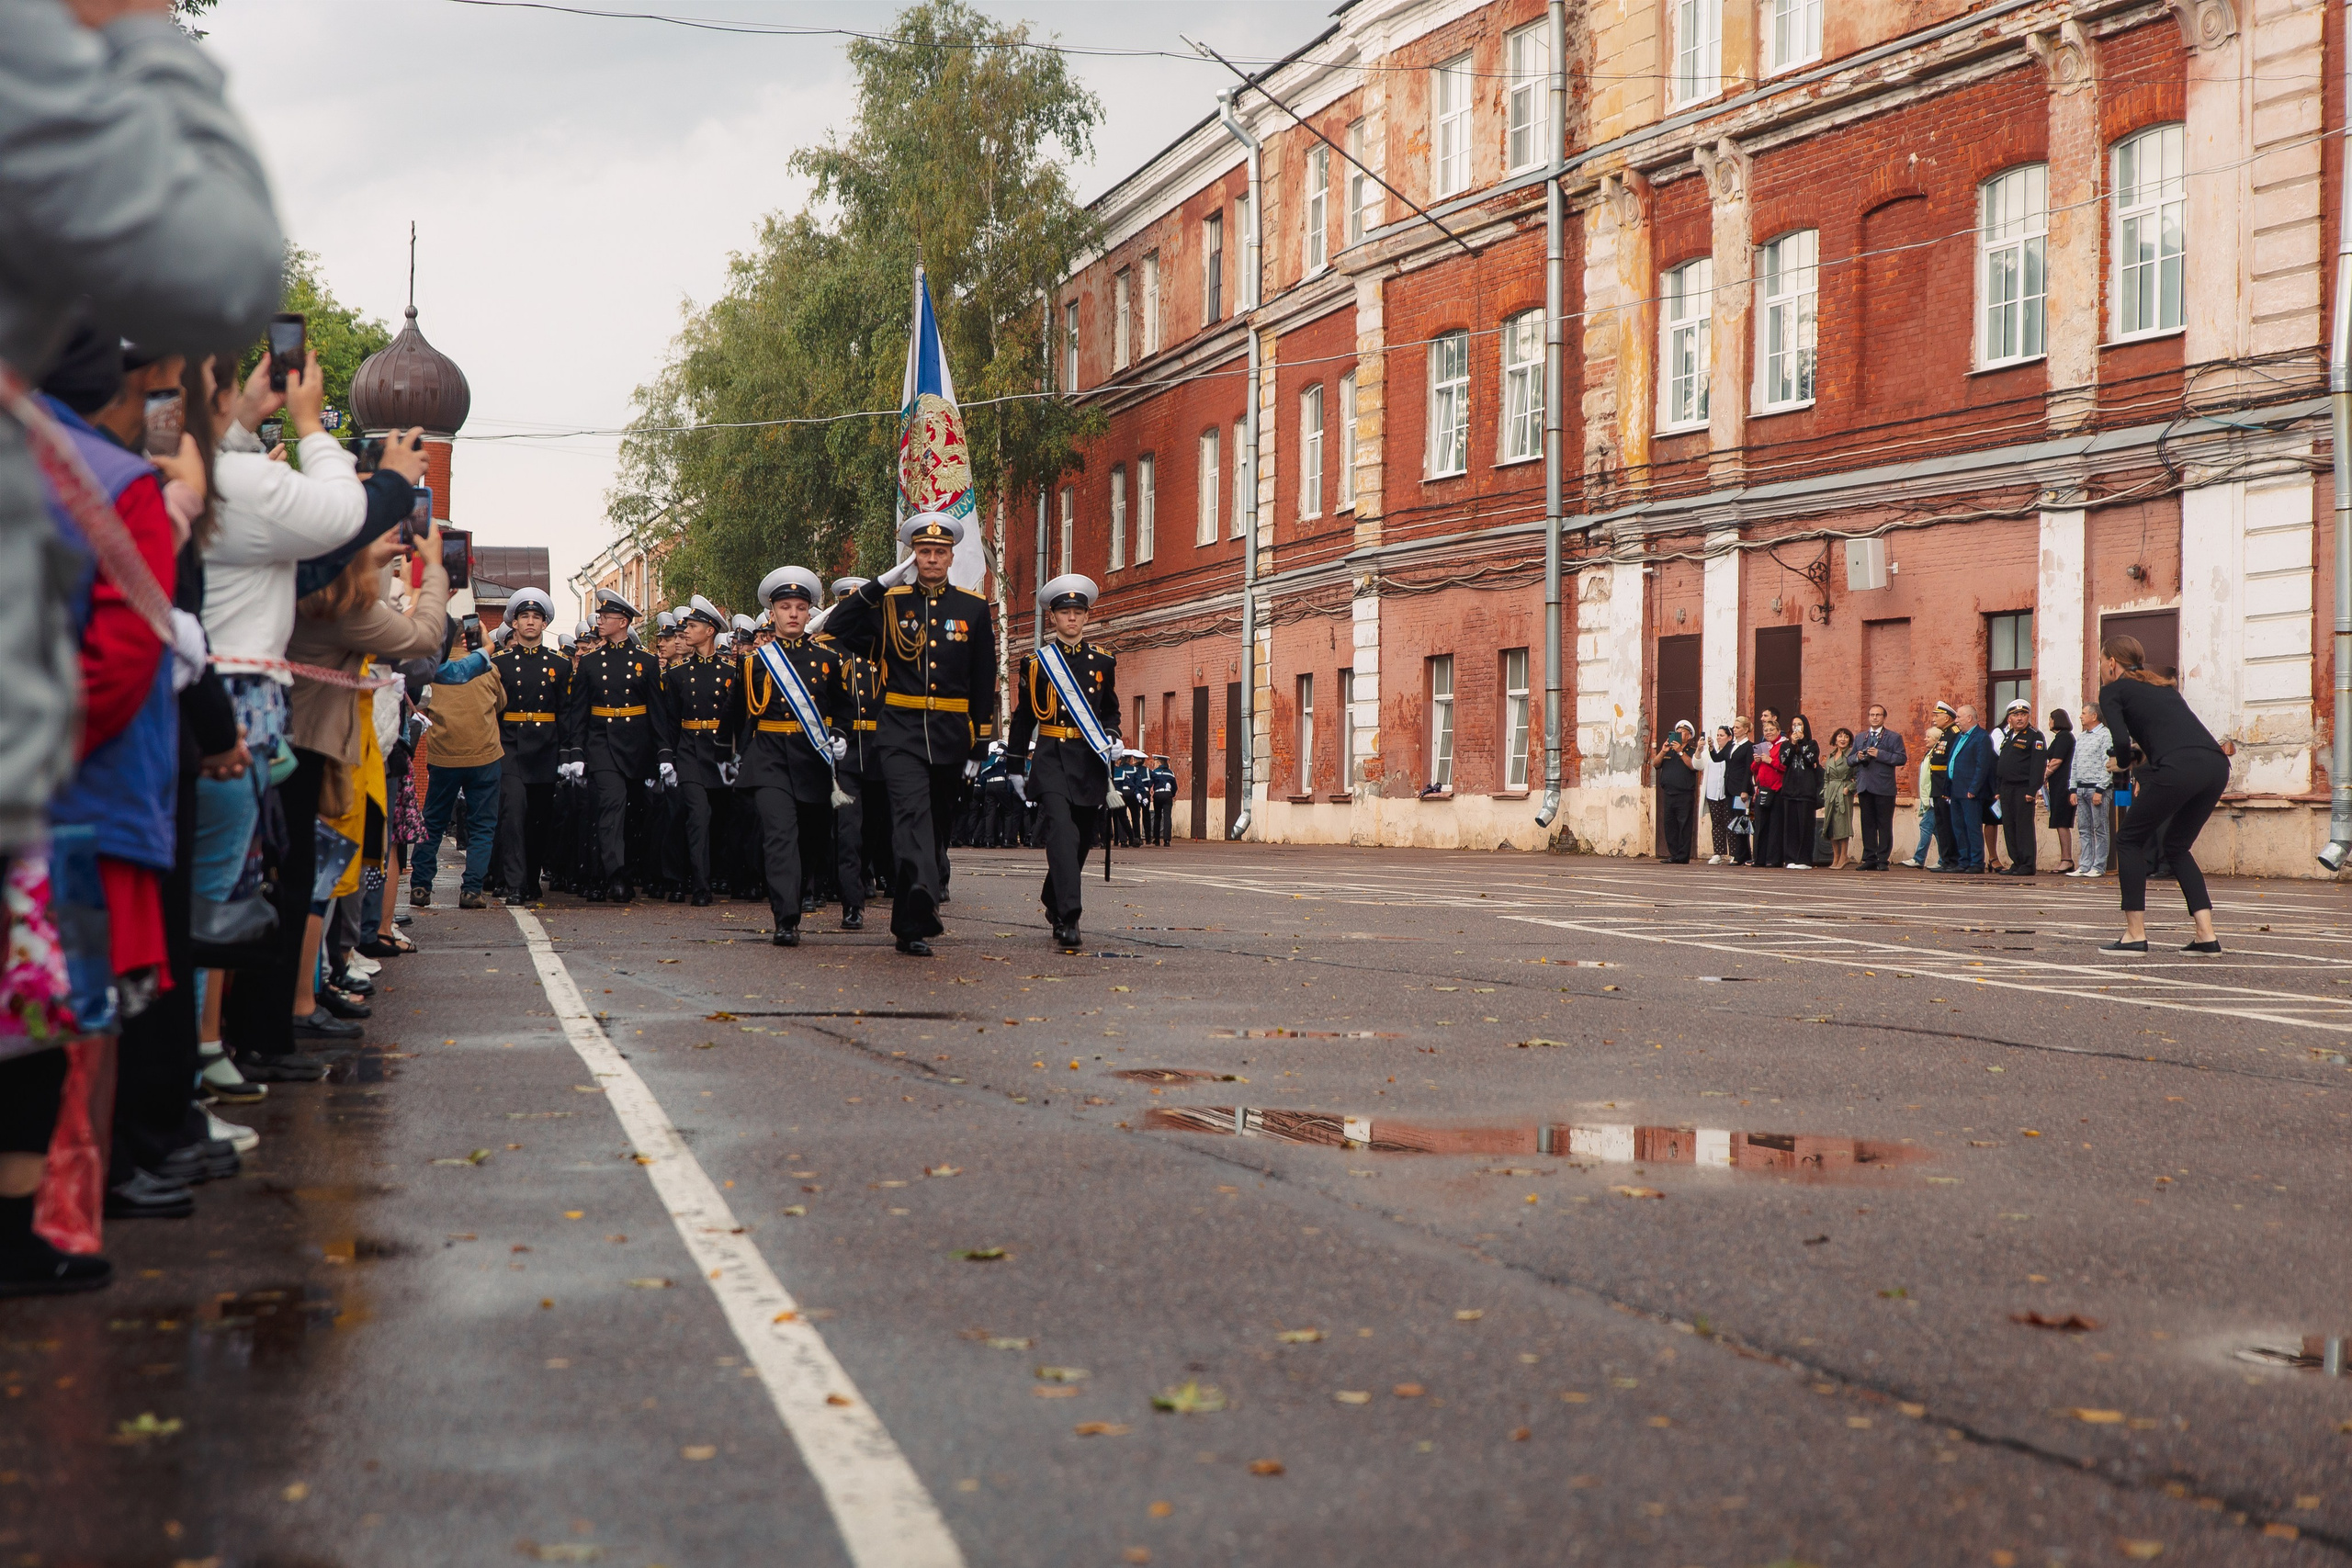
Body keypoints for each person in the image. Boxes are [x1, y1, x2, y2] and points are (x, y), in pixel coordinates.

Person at [0, 0, 284, 895]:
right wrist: (138, 29)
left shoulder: (132, 466)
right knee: (98, 1000)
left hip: (107, 773)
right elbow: (221, 272)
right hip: (84, 791)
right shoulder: (118, 479)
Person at [280, 513, 452, 1054]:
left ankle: (313, 985)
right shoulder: (337, 606)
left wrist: (370, 552)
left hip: (310, 744)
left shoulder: (298, 589)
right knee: (315, 876)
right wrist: (433, 575)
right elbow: (425, 644)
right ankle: (300, 999)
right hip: (322, 749)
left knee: (318, 873)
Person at [823, 513, 999, 957]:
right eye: (924, 552)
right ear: (913, 557)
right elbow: (837, 627)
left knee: (935, 825)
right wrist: (879, 584)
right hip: (899, 732)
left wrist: (980, 740)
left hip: (950, 734)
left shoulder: (973, 608)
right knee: (910, 818)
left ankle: (908, 924)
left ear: (951, 556)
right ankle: (921, 894)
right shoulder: (890, 603)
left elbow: (983, 680)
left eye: (940, 552)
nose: (933, 559)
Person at [733, 567, 849, 946]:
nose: (794, 614)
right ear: (773, 614)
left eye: (801, 607)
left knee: (811, 841)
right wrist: (730, 756)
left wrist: (840, 734)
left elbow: (843, 708)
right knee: (778, 836)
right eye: (786, 607)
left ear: (809, 612)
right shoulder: (754, 662)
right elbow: (738, 715)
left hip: (812, 759)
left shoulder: (828, 660)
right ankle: (785, 918)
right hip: (768, 758)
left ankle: (795, 898)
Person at [1006, 573, 1120, 949]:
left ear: (1087, 617)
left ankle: (1053, 899)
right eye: (1064, 612)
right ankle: (1069, 918)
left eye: (1078, 612)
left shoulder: (1103, 662)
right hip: (1052, 758)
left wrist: (1113, 737)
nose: (1072, 618)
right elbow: (1024, 719)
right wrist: (1014, 765)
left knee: (1083, 838)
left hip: (1088, 762)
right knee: (1062, 834)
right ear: (1052, 617)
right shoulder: (1036, 663)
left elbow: (1110, 712)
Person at [2098, 636, 2228, 953]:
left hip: (2179, 767)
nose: (2101, 668)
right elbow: (2168, 740)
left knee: (2128, 840)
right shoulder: (2163, 687)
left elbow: (2119, 740)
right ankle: (2205, 934)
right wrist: (2137, 757)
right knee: (2177, 845)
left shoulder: (2113, 690)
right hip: (2214, 765)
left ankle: (2134, 934)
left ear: (2112, 663)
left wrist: (2121, 760)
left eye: (2102, 662)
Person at [558, 588, 673, 902]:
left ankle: (622, 869)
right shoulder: (592, 663)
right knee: (612, 804)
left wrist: (664, 753)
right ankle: (616, 875)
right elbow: (578, 712)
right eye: (600, 616)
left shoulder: (647, 663)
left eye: (605, 617)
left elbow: (657, 712)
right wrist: (576, 752)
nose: (600, 621)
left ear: (622, 622)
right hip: (602, 743)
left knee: (634, 813)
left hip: (637, 746)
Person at [413, 618, 504, 908]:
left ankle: (420, 886)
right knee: (482, 825)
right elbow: (501, 703)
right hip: (485, 755)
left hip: (443, 756)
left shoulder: (432, 671)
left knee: (433, 821)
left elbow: (421, 703)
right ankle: (472, 889)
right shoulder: (488, 668)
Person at [491, 587, 568, 904]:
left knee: (539, 819)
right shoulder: (501, 663)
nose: (531, 622)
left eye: (536, 617)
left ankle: (532, 877)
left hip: (545, 749)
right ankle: (515, 883)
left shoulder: (560, 665)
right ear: (515, 624)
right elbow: (492, 710)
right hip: (510, 747)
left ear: (545, 624)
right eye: (525, 617)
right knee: (513, 814)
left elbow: (566, 713)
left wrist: (566, 754)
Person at [659, 593, 736, 908]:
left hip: (719, 753)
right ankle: (700, 886)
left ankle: (719, 874)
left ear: (710, 631)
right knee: (697, 815)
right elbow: (670, 723)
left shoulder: (732, 673)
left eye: (693, 626)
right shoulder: (677, 675)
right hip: (689, 750)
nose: (686, 632)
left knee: (721, 820)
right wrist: (667, 758)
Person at [817, 576, 876, 927]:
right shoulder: (827, 650)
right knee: (848, 830)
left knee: (881, 829)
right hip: (846, 750)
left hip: (884, 749)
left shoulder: (883, 645)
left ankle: (869, 878)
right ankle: (851, 903)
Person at [1848, 705, 1906, 871]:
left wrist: (1879, 754)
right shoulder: (1860, 737)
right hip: (1865, 786)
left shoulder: (1893, 737)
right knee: (1867, 824)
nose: (1874, 718)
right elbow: (1849, 760)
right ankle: (1869, 858)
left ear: (1884, 718)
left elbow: (1901, 758)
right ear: (1868, 717)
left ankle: (1882, 859)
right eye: (1872, 715)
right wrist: (1857, 757)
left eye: (1878, 715)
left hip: (1884, 787)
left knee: (1884, 824)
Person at [1993, 698, 2046, 875]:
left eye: (2023, 714)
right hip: (2007, 789)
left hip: (2023, 789)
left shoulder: (2034, 736)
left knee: (2023, 828)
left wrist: (2032, 790)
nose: (2020, 718)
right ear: (2009, 718)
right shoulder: (2009, 735)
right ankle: (2016, 862)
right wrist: (1999, 789)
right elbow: (2003, 763)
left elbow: (2038, 766)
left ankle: (2027, 864)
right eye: (2016, 715)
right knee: (2009, 826)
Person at [1944, 705, 1994, 874]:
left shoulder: (1981, 737)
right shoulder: (1959, 737)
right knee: (1958, 827)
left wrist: (1974, 788)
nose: (1956, 720)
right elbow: (1952, 762)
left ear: (1969, 718)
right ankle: (1963, 860)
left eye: (1958, 717)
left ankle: (1976, 862)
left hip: (1970, 791)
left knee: (1972, 827)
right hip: (1956, 790)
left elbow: (1982, 765)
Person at [2069, 705, 2113, 878]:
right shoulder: (2081, 737)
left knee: (2100, 828)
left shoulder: (2105, 735)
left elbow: (2107, 763)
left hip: (2097, 789)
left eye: (2083, 713)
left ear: (2094, 716)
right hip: (2081, 788)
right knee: (2084, 828)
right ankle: (2085, 864)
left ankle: (2099, 865)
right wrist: (2073, 788)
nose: (2080, 716)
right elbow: (2075, 764)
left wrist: (2100, 789)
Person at [1651, 720, 1699, 863]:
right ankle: (1674, 854)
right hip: (1669, 793)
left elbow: (1692, 766)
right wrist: (1663, 751)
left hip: (1684, 794)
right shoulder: (1668, 750)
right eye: (1677, 731)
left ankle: (1683, 856)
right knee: (1670, 825)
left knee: (1684, 825)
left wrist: (1680, 752)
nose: (1678, 733)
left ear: (1689, 735)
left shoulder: (1692, 751)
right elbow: (1656, 764)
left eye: (1682, 731)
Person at [1779, 714, 1822, 869]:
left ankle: (1804, 859)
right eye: (1794, 724)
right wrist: (1792, 744)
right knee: (1790, 827)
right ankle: (1790, 858)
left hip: (1806, 791)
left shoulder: (1812, 744)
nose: (1796, 727)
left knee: (1805, 826)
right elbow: (1784, 761)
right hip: (1790, 790)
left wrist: (1802, 742)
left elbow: (1811, 759)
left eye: (1800, 724)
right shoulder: (1785, 745)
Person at [1713, 717, 1754, 865]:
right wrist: (1711, 747)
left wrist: (1744, 790)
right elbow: (1718, 758)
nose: (1734, 730)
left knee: (1742, 821)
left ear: (1745, 729)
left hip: (1741, 790)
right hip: (1729, 788)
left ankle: (1741, 854)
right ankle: (1741, 853)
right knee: (1734, 821)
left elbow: (1748, 770)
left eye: (1737, 727)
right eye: (1734, 727)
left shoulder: (1749, 746)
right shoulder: (1732, 745)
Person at [1748, 710, 1786, 869]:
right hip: (1762, 790)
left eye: (1771, 730)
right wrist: (1757, 761)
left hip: (1777, 790)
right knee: (1761, 825)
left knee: (1775, 826)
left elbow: (1784, 767)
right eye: (1766, 730)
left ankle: (1774, 859)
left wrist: (1769, 760)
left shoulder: (1784, 745)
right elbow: (1753, 769)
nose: (1768, 732)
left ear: (1778, 731)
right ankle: (1759, 858)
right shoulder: (1761, 746)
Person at [1905, 725, 1943, 869]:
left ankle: (1919, 858)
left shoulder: (1936, 754)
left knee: (1926, 826)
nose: (1925, 739)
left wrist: (1929, 797)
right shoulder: (1930, 753)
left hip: (1931, 798)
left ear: (1936, 739)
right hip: (1927, 798)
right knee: (1936, 830)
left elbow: (1933, 778)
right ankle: (1944, 858)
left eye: (1928, 737)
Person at [2043, 707, 2076, 873]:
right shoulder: (2060, 738)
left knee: (2062, 821)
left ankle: (2067, 859)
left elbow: (2057, 760)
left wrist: (2044, 775)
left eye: (2050, 718)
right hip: (2057, 785)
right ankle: (2065, 858)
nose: (2049, 722)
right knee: (2058, 820)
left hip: (2063, 785)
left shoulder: (2064, 737)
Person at [1822, 728, 1856, 871]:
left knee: (1842, 825)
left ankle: (1844, 856)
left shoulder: (1852, 756)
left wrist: (1849, 788)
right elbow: (1826, 777)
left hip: (1843, 792)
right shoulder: (1831, 756)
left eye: (1846, 737)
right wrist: (1825, 791)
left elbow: (1860, 776)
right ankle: (1835, 857)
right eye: (1840, 736)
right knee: (1831, 825)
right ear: (1835, 739)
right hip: (1830, 793)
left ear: (1850, 740)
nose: (1843, 739)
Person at [1701, 725, 1730, 863]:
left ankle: (1734, 853)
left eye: (1722, 735)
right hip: (1713, 792)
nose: (1719, 738)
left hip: (1726, 792)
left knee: (1730, 822)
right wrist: (1702, 749)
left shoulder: (1731, 751)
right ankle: (1718, 853)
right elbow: (1698, 764)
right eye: (1718, 735)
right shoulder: (1709, 752)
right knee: (1717, 823)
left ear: (1729, 738)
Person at [1149, 755, 1177, 845]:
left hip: (1158, 794)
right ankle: (1167, 840)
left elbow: (1150, 783)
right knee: (1167, 817)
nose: (1154, 764)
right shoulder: (1170, 772)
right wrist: (1171, 794)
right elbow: (1175, 787)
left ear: (1159, 763)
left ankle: (1156, 839)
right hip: (1167, 795)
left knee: (1157, 817)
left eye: (1155, 763)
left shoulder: (1154, 772)